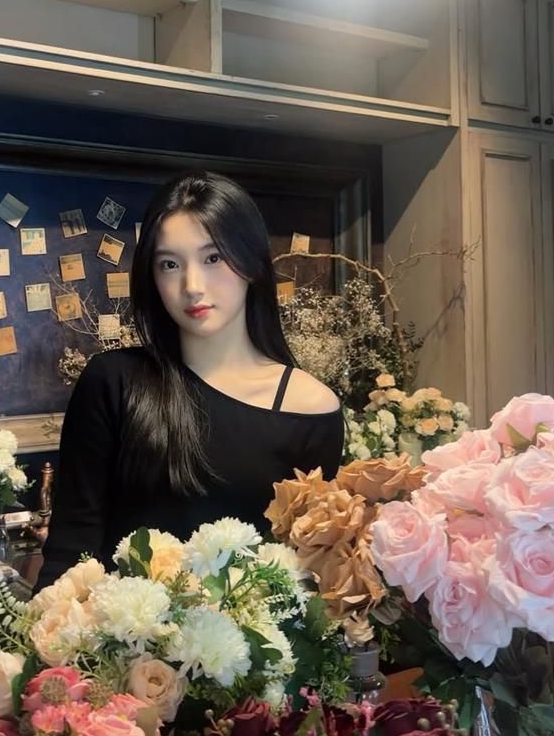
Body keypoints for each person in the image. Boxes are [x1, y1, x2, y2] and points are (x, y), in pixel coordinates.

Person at [35, 170, 343, 587]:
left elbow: (310, 572)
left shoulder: (310, 407)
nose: (192, 286)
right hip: (119, 625)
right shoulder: (114, 383)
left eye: (213, 258)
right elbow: (70, 554)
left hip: (250, 629)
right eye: (169, 264)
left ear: (251, 262)